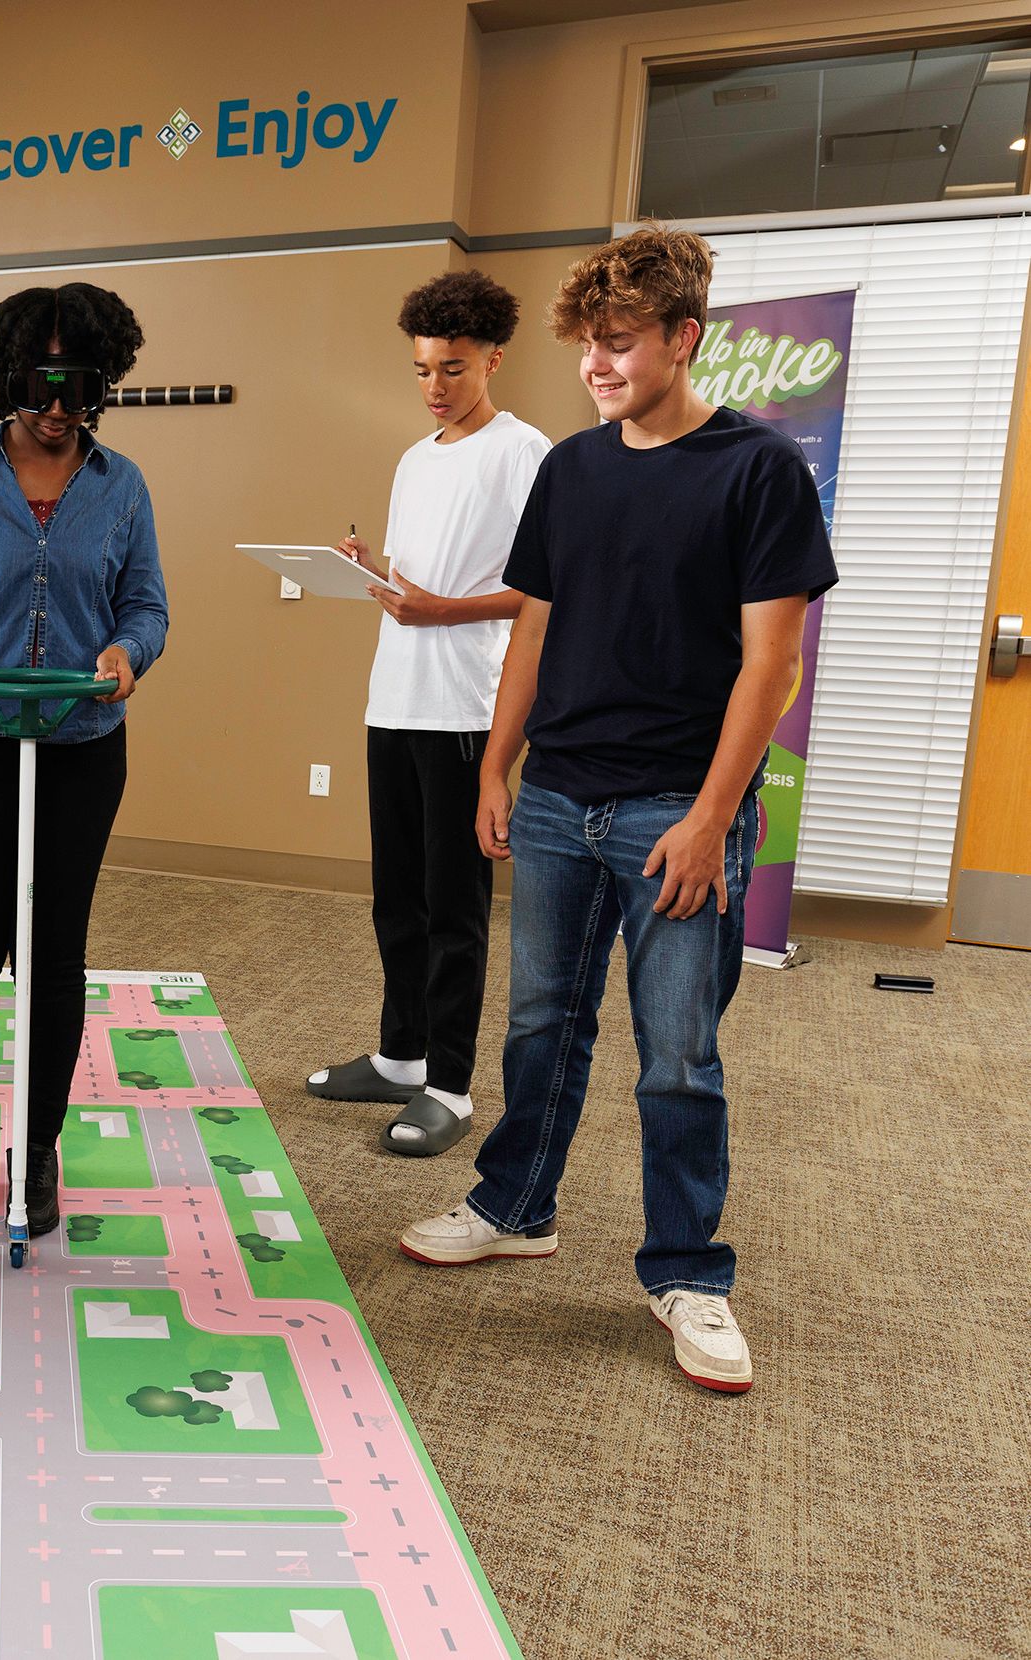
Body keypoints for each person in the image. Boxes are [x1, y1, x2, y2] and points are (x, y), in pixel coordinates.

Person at [398, 229, 836, 1393]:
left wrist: (710, 818)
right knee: (541, 1023)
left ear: (684, 337)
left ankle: (687, 1271)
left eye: (621, 342)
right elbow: (535, 625)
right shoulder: (573, 471)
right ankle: (514, 1205)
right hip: (558, 797)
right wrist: (497, 766)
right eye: (587, 344)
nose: (597, 364)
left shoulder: (759, 471)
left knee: (677, 1058)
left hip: (677, 811)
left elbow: (772, 667)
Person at [0, 282, 168, 1236]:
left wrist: (127, 653)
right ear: (8, 377)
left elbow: (146, 606)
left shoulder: (121, 486)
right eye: (42, 385)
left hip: (80, 748)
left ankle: (38, 1143)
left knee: (54, 957)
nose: (58, 408)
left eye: (79, 388)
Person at [304, 269, 548, 1157]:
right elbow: (416, 581)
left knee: (454, 909)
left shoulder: (524, 453)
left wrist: (443, 610)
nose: (435, 387)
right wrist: (372, 570)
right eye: (421, 370)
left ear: (492, 359)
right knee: (397, 900)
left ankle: (448, 1085)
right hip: (394, 698)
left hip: (465, 708)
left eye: (452, 368)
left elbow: (544, 589)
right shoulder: (414, 459)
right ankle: (400, 1056)